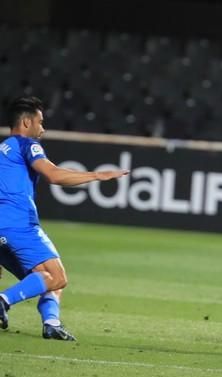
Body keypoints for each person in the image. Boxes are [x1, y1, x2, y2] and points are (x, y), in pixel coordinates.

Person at [0, 96, 128, 340]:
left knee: (45, 278)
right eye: (40, 122)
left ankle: (52, 323)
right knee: (57, 277)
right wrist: (99, 176)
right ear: (26, 122)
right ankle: (4, 301)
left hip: (4, 228)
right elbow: (55, 175)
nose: (43, 129)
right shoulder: (26, 144)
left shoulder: (3, 151)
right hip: (19, 224)